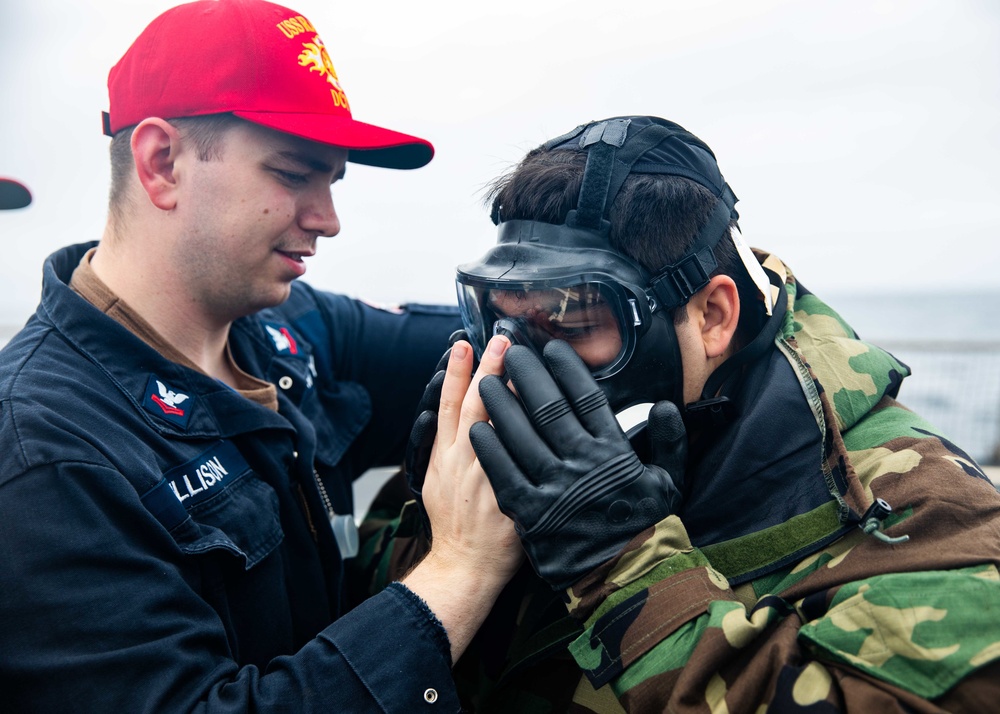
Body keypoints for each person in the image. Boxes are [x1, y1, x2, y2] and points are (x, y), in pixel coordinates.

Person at [359, 116, 1000, 712]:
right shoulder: (514, 450)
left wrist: (620, 560)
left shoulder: (925, 510)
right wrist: (429, 527)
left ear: (711, 317)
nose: (525, 365)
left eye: (576, 319)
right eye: (501, 316)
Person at [0, 0, 523, 710]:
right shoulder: (47, 451)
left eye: (332, 181)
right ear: (162, 163)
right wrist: (459, 571)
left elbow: (492, 338)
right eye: (292, 174)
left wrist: (601, 302)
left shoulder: (288, 327)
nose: (328, 220)